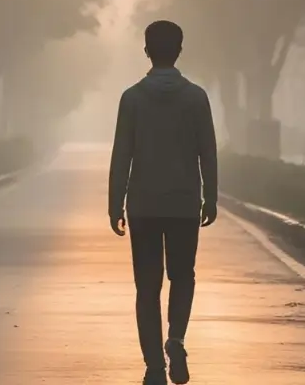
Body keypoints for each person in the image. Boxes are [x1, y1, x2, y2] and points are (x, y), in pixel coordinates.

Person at [109, 20, 218, 385]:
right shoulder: (196, 97)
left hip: (142, 204)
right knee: (183, 276)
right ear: (180, 50)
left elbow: (121, 154)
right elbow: (208, 152)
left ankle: (154, 365)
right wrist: (211, 196)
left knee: (147, 285)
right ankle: (176, 339)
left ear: (146, 51)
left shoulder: (133, 98)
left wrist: (114, 202)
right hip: (185, 202)